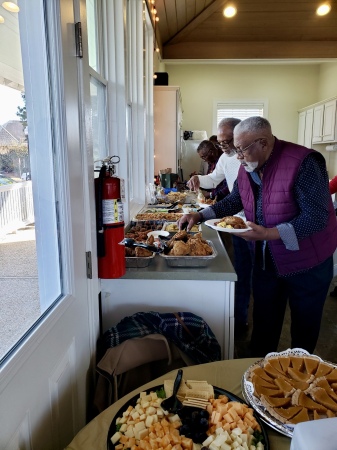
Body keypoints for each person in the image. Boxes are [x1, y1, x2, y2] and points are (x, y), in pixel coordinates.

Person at [180, 116, 337, 356]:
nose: (238, 156)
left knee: (303, 330)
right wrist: (200, 216)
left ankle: (299, 380)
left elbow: (317, 217)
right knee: (264, 323)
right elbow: (236, 199)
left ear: (263, 143)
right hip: (267, 258)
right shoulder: (248, 165)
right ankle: (259, 375)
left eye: (241, 150)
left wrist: (269, 233)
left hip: (308, 263)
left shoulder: (304, 162)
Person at [188, 118, 253, 335]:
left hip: (256, 222)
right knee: (242, 270)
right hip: (236, 221)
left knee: (258, 275)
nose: (223, 145)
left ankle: (249, 319)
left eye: (227, 141)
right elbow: (215, 180)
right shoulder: (226, 158)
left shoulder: (252, 157)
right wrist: (198, 178)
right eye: (221, 141)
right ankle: (241, 320)